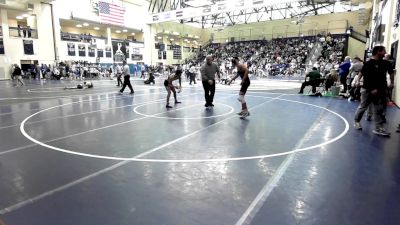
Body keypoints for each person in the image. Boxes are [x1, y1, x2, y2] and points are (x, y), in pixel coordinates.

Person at [353, 46, 394, 136]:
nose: (385, 53)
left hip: (380, 89)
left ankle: (378, 128)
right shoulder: (369, 63)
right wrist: (371, 88)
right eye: (383, 51)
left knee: (378, 108)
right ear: (378, 52)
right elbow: (365, 75)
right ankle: (356, 121)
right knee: (363, 107)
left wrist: (392, 82)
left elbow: (391, 72)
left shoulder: (386, 63)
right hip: (367, 89)